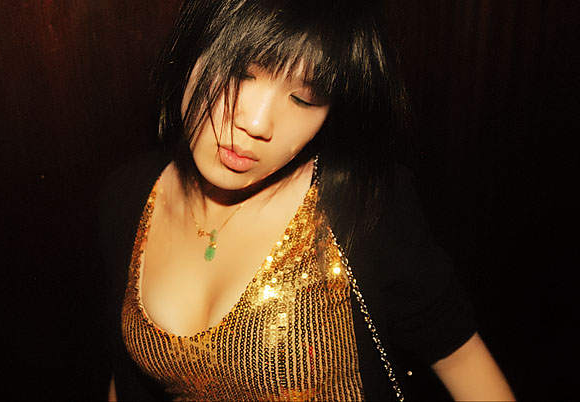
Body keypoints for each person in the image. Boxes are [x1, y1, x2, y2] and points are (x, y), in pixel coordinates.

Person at [98, 0, 516, 400]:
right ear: (192, 49)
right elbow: (125, 377)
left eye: (304, 98)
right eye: (241, 73)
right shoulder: (127, 197)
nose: (257, 123)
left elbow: (463, 361)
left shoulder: (366, 206)